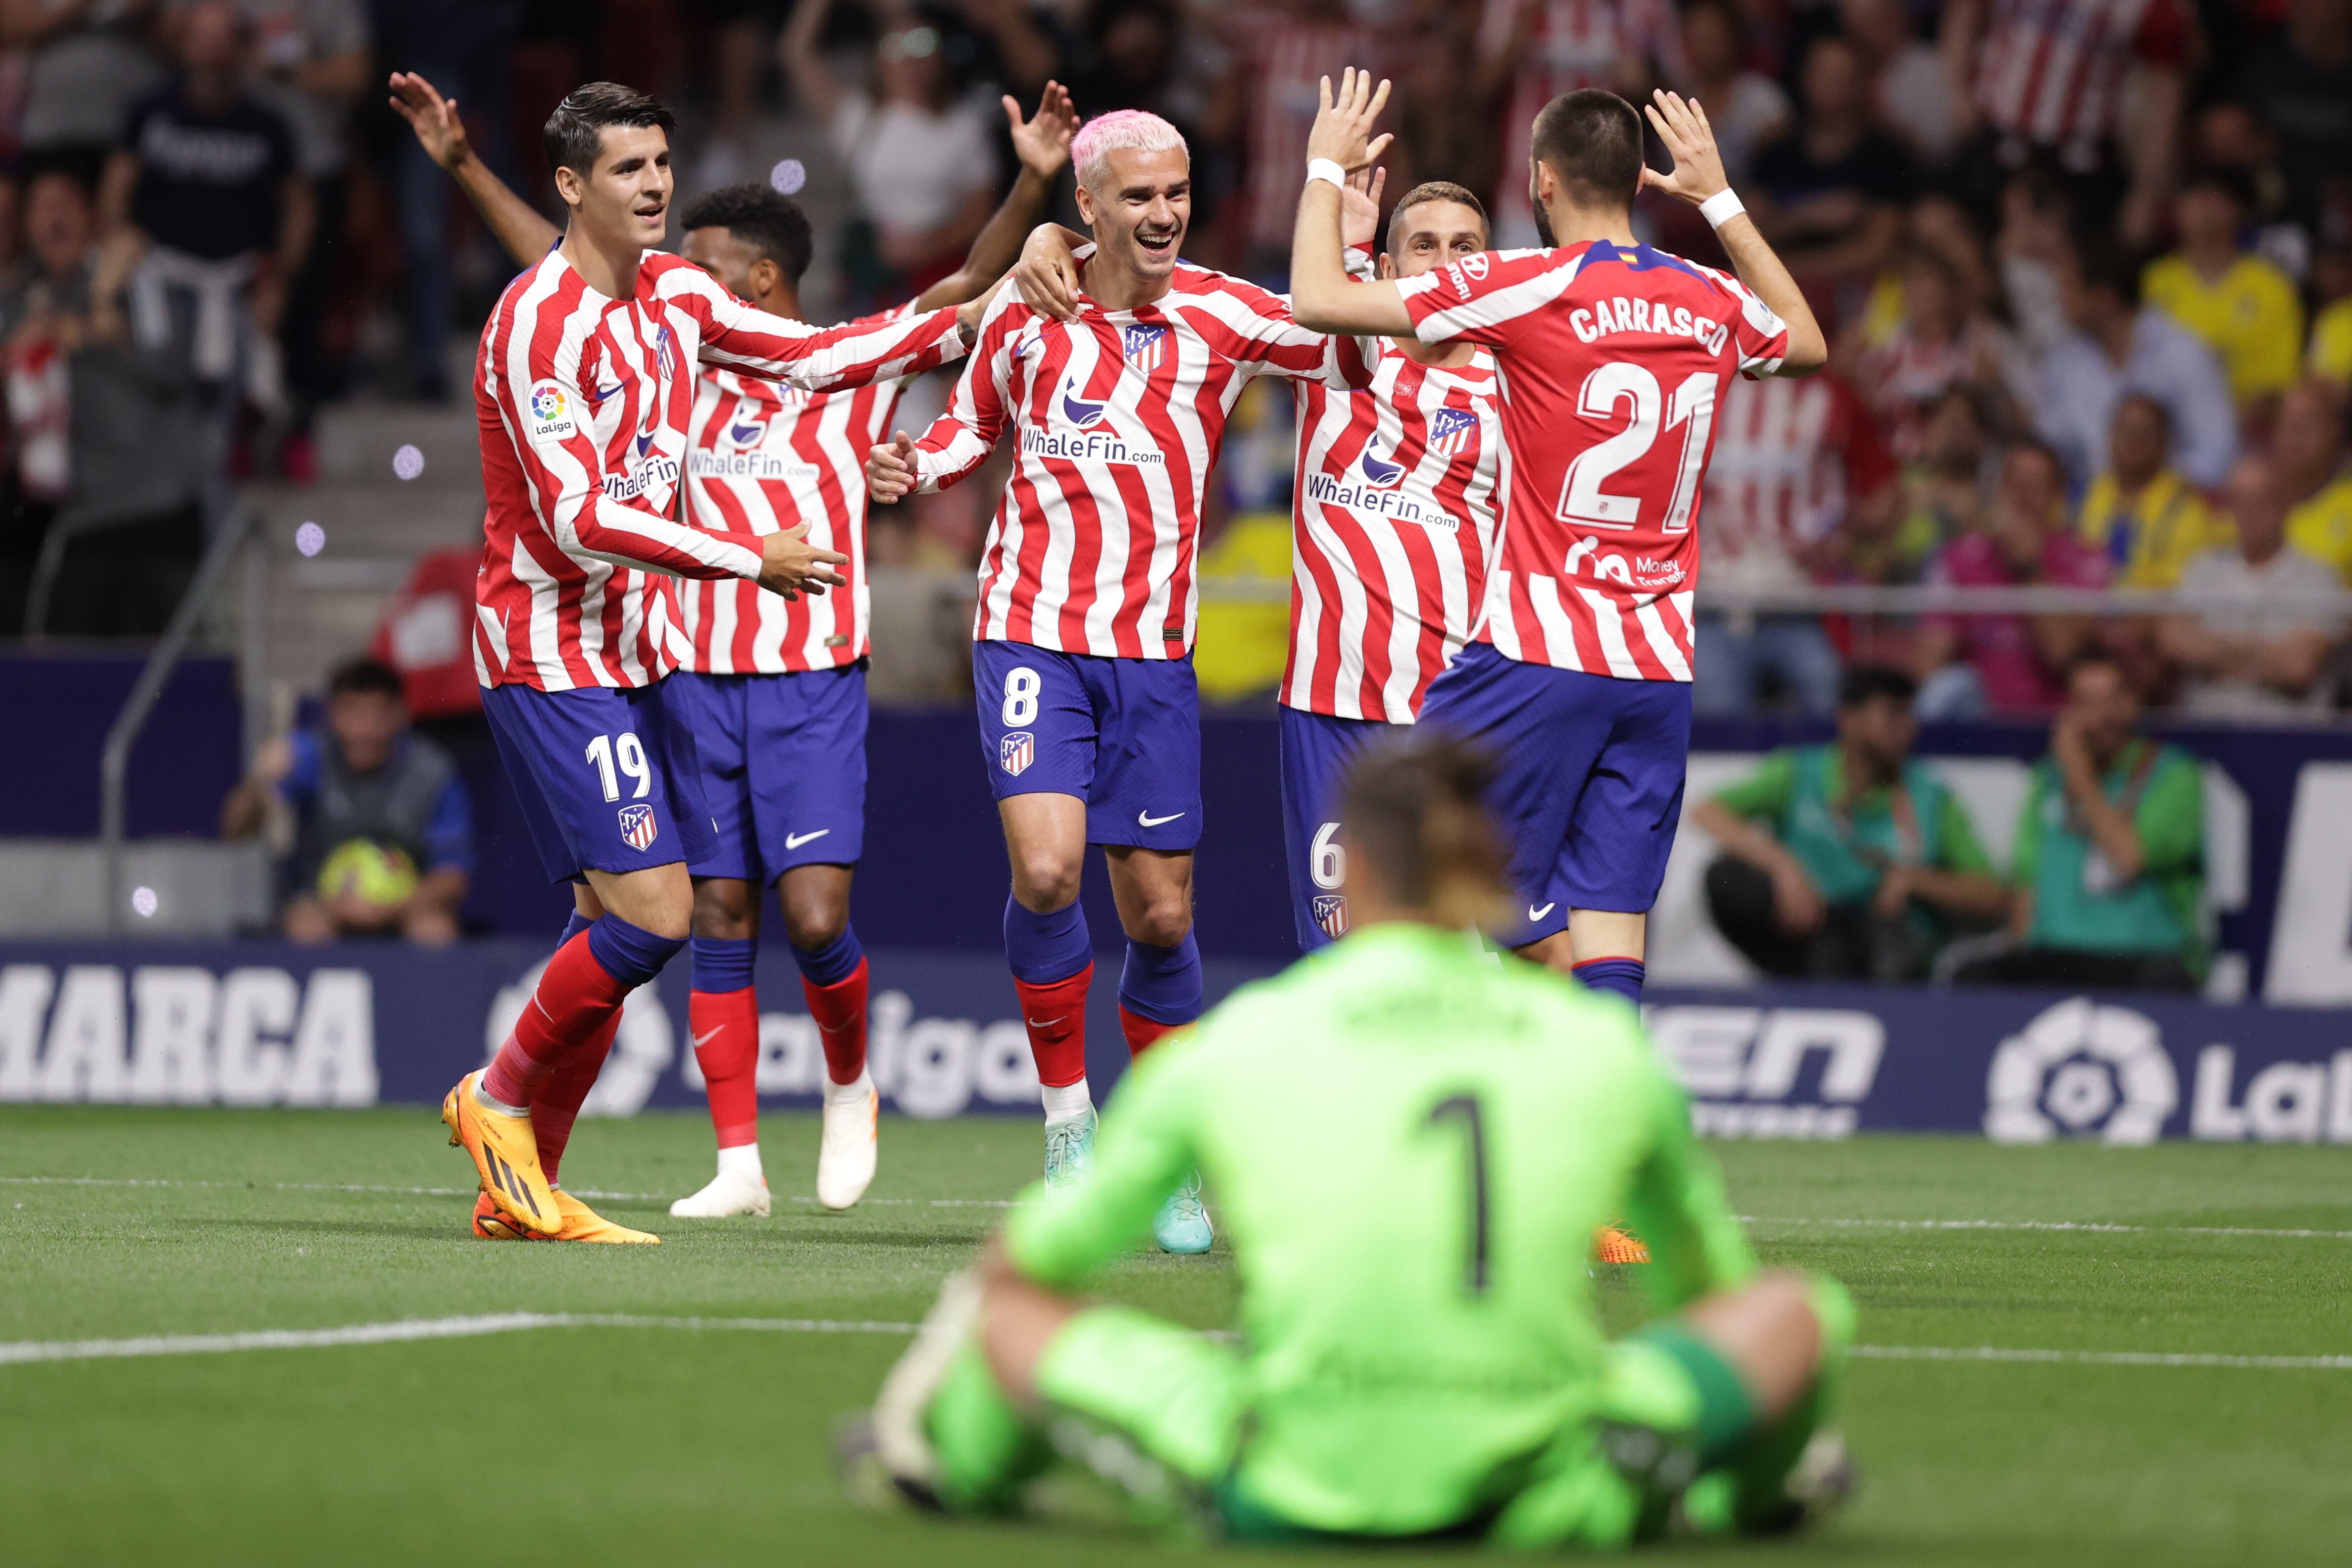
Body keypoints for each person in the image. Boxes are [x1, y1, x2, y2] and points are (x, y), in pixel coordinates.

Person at [837, 734, 1856, 1548]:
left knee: (1015, 1320)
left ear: (1352, 866)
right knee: (1792, 1313)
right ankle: (1736, 1506)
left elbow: (1042, 1254)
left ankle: (937, 1467)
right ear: (1489, 873)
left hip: (1294, 1482)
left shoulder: (1246, 1037)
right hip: (1552, 1484)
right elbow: (1705, 1290)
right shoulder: (1597, 1046)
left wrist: (977, 1314)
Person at [393, 71, 1076, 1221]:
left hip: (634, 648)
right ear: (572, 185)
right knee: (660, 915)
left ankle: (525, 1182)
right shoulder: (533, 327)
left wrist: (983, 295)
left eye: (661, 163)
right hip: (550, 645)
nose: (655, 185)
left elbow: (818, 356)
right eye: (628, 169)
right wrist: (742, 555)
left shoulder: (673, 295)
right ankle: (498, 1095)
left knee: (605, 923)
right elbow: (576, 520)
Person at [866, 108, 1346, 1253]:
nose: (1163, 213)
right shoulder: (1028, 314)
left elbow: (1352, 339)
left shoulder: (1226, 314)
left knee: (1163, 913)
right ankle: (1069, 1125)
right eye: (1137, 196)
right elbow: (964, 431)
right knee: (1045, 870)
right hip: (1030, 631)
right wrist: (909, 463)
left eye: (1175, 191)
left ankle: (1166, 1152)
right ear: (1087, 205)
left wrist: (1354, 222)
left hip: (1152, 655)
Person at [1287, 74, 1829, 1003]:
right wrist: (1721, 200)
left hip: (1539, 648)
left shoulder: (1529, 286)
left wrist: (1326, 166)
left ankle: (1392, 1083)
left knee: (1395, 824)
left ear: (1541, 184)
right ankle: (1599, 1124)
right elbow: (1808, 341)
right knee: (1607, 917)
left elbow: (1316, 301)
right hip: (1657, 668)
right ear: (1639, 177)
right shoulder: (1706, 296)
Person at [1693, 666, 2007, 981]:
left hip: (1879, 940)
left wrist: (1916, 881)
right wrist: (1784, 866)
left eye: (1910, 716)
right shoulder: (1803, 772)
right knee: (1726, 877)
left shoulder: (1930, 798)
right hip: (1808, 925)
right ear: (1850, 719)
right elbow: (1707, 811)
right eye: (1893, 715)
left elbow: (1992, 895)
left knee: (1850, 938)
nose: (1908, 729)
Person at [1957, 653, 2204, 992]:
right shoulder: (2047, 779)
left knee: (2165, 983)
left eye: (2111, 700)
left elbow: (2129, 859)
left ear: (2133, 704)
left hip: (2139, 953)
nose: (2099, 716)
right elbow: (2026, 881)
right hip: (2057, 953)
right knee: (1975, 978)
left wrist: (2081, 778)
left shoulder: (2171, 774)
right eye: (2085, 702)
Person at [221, 658, 473, 945]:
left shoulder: (434, 774)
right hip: (322, 903)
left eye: (377, 715)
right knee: (307, 928)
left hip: (408, 905)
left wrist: (386, 909)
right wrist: (258, 782)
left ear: (400, 714)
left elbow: (453, 878)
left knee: (435, 931)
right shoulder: (307, 756)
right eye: (352, 713)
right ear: (333, 714)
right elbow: (236, 832)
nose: (364, 730)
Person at [1694, 366, 1896, 718]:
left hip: (1796, 600)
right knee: (1716, 704)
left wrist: (1847, 535)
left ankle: (1822, 775)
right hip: (1714, 602)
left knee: (1827, 689)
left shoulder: (1830, 396)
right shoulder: (1703, 388)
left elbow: (1884, 489)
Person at [783, 0, 1005, 303]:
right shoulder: (858, 118)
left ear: (940, 58)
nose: (909, 59)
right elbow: (796, 54)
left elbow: (981, 212)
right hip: (872, 276)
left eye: (923, 45)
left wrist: (921, 249)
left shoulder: (963, 125)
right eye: (894, 46)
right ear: (878, 59)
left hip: (941, 274)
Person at [1913, 441, 2108, 718]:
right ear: (2000, 490)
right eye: (2015, 484)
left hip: (2056, 724)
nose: (2024, 498)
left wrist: (2029, 567)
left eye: (2036, 485)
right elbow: (1929, 663)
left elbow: (2061, 652)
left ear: (2057, 495)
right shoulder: (1959, 558)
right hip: (1982, 724)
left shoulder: (2085, 559)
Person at [2034, 230, 2236, 492]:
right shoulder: (2062, 364)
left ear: (2104, 295)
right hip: (2088, 512)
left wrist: (2153, 499)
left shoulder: (2183, 352)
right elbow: (2051, 448)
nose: (2059, 301)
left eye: (2068, 288)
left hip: (2175, 508)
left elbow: (2217, 450)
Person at [2158, 455, 2344, 718]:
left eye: (2260, 500)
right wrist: (2267, 655)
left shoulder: (2320, 579)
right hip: (2207, 736)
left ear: (2284, 503)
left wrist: (2213, 652)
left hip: (2290, 738)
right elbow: (2173, 641)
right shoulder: (2202, 569)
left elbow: (2299, 666)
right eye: (2239, 501)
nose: (2248, 513)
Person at [1748, 35, 1911, 303]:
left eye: (1843, 75)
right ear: (1805, 79)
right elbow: (1745, 231)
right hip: (1773, 293)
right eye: (1823, 73)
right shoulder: (1777, 151)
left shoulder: (1886, 155)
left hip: (1857, 296)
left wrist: (1796, 267)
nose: (1833, 85)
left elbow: (1881, 247)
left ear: (1862, 83)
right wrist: (1808, 215)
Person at [2140, 167, 2303, 420]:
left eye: (2215, 196)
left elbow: (2279, 381)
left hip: (2249, 428)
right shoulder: (2152, 282)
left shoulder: (2272, 286)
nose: (2203, 207)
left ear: (2238, 210)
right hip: (2168, 427)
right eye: (2193, 195)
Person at [2072, 393, 2227, 590]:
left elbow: (2176, 590)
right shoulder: (2083, 495)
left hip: (2153, 614)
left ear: (2164, 444)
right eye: (2124, 429)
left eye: (2144, 431)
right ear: (2110, 438)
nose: (2132, 439)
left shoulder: (2184, 506)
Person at [2277, 378, 2352, 580]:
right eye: (2288, 421)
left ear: (2336, 430)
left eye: (2309, 421)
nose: (2296, 432)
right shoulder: (2253, 499)